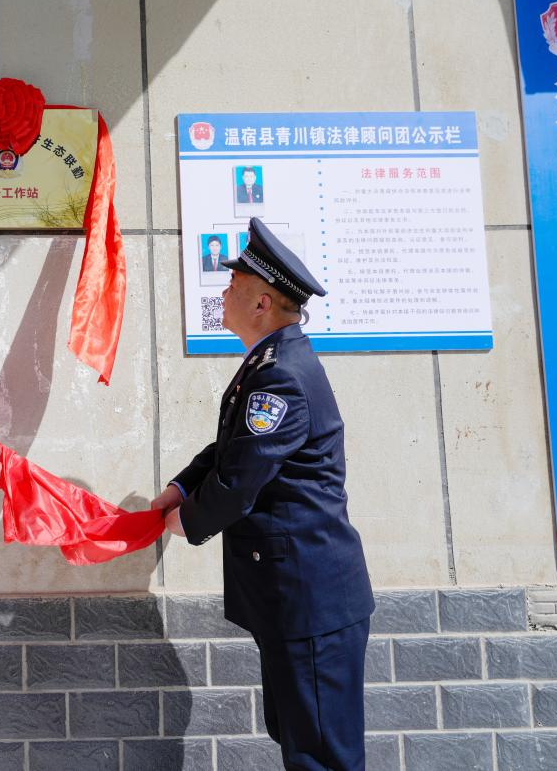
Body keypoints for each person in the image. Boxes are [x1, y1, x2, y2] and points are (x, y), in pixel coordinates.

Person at [153, 217, 373, 771]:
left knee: (321, 754)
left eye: (233, 284)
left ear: (261, 303)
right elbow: (232, 449)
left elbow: (239, 480)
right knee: (298, 739)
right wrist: (181, 487)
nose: (223, 292)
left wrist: (188, 519)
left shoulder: (282, 375)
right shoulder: (270, 363)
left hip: (310, 599)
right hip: (293, 596)